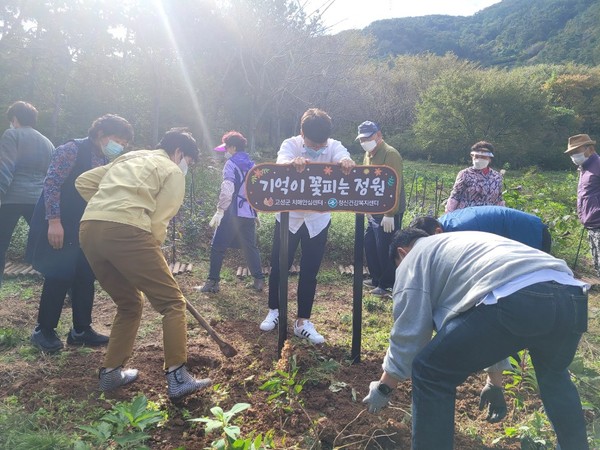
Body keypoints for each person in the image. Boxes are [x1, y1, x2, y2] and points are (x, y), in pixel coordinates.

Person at [363, 228, 589, 450]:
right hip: (571, 296)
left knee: (429, 371)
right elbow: (482, 324)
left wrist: (384, 387)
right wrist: (494, 382)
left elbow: (410, 331)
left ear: (402, 253)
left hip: (516, 297)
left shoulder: (414, 258)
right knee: (554, 377)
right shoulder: (458, 246)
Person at [76, 128, 212, 400]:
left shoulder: (131, 157)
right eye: (189, 162)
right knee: (172, 303)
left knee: (129, 303)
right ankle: (178, 377)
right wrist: (151, 249)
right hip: (128, 232)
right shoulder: (172, 170)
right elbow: (159, 220)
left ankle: (111, 373)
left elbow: (83, 182)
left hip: (90, 229)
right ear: (179, 153)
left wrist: (109, 206)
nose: (186, 167)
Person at [26, 114, 133, 353]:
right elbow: (51, 184)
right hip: (61, 222)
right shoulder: (71, 150)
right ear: (100, 134)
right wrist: (54, 221)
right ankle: (43, 330)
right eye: (118, 139)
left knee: (86, 274)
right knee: (59, 274)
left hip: (86, 226)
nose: (121, 146)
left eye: (125, 143)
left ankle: (81, 330)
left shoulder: (107, 159)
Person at [259, 108, 355, 344]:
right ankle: (275, 310)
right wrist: (292, 163)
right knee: (279, 267)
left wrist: (346, 161)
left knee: (310, 272)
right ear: (302, 133)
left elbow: (344, 155)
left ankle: (303, 321)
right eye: (313, 145)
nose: (318, 149)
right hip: (288, 221)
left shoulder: (333, 146)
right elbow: (280, 162)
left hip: (317, 221)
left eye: (321, 145)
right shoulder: (290, 144)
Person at [198, 131, 264, 293]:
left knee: (218, 246)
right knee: (250, 247)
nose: (226, 151)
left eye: (227, 147)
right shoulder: (253, 165)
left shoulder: (231, 164)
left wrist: (220, 210)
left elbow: (228, 188)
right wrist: (255, 213)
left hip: (232, 212)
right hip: (248, 213)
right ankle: (259, 280)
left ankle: (213, 283)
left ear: (233, 147)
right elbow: (256, 191)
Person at [0, 101, 54, 287]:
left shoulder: (12, 135)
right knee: (49, 245)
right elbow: (50, 175)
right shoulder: (47, 142)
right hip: (38, 200)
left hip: (11, 199)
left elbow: (5, 168)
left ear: (15, 119)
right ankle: (64, 287)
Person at [356, 121, 405, 297]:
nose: (364, 141)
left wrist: (390, 213)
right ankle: (376, 279)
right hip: (373, 209)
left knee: (386, 247)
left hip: (388, 211)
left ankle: (387, 285)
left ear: (378, 135)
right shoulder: (368, 154)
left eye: (368, 137)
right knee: (370, 244)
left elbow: (395, 183)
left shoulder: (390, 154)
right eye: (362, 138)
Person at [410, 205, 552, 252]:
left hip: (532, 234)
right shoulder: (442, 223)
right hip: (523, 229)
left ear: (437, 232)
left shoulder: (459, 231)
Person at [565, 134, 600, 276]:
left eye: (576, 151)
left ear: (589, 149)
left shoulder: (597, 165)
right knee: (597, 264)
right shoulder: (583, 168)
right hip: (592, 224)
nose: (574, 155)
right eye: (571, 153)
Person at [445, 141, 505, 213]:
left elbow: (499, 200)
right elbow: (455, 197)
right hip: (465, 217)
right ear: (472, 157)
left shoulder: (496, 177)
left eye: (483, 157)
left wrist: (501, 216)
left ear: (489, 159)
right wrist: (448, 215)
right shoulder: (465, 174)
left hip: (488, 217)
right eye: (476, 157)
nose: (479, 159)